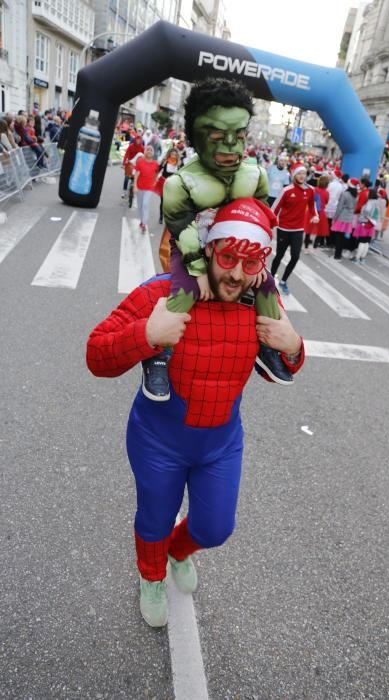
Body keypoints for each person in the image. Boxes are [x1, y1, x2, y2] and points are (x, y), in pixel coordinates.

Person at [86, 198, 305, 628]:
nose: (237, 274)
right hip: (158, 441)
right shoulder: (164, 292)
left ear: (263, 260)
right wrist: (147, 334)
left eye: (251, 261)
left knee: (214, 529)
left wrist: (294, 345)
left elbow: (282, 366)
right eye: (227, 258)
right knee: (154, 518)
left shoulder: (262, 300)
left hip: (220, 443)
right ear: (207, 249)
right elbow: (96, 355)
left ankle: (176, 551)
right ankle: (150, 577)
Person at [143, 77, 294, 403]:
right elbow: (179, 225)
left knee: (267, 285)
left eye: (237, 136)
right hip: (194, 248)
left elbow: (263, 216)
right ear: (197, 136)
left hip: (235, 250)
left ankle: (267, 346)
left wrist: (257, 261)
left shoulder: (255, 174)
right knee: (181, 293)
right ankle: (159, 354)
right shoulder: (181, 182)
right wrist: (198, 267)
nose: (229, 147)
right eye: (216, 137)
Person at [270, 162, 319, 293]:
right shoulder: (286, 190)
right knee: (279, 255)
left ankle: (284, 280)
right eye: (299, 173)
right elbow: (274, 208)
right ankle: (269, 281)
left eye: (304, 173)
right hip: (284, 229)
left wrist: (315, 215)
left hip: (298, 230)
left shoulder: (310, 190)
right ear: (294, 175)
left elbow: (312, 205)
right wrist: (268, 224)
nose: (302, 176)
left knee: (295, 256)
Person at [134, 145, 159, 232]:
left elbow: (157, 173)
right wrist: (135, 186)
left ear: (153, 153)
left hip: (149, 188)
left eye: (151, 150)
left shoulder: (156, 164)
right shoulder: (140, 161)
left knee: (145, 204)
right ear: (145, 151)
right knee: (140, 206)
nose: (149, 151)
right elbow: (136, 174)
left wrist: (155, 181)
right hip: (140, 187)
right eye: (147, 150)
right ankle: (141, 221)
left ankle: (144, 223)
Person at [332, 178, 359, 260]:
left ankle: (337, 255)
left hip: (342, 216)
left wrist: (335, 218)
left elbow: (339, 207)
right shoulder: (356, 195)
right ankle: (339, 254)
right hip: (349, 218)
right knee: (343, 236)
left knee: (338, 237)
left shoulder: (345, 194)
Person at [155, 147, 181, 224]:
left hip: (173, 184)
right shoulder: (165, 161)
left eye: (175, 155)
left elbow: (181, 174)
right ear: (169, 154)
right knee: (163, 201)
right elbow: (158, 169)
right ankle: (161, 217)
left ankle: (169, 218)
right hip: (164, 183)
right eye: (172, 154)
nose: (173, 156)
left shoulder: (178, 163)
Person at [352, 188, 379, 263]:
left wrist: (365, 216)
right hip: (372, 224)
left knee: (362, 241)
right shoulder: (377, 202)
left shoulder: (370, 202)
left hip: (365, 222)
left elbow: (367, 210)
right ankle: (362, 258)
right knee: (367, 242)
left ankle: (357, 258)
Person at [310, 174, 330, 250]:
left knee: (310, 226)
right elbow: (327, 201)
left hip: (313, 210)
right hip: (321, 211)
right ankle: (316, 243)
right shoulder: (326, 192)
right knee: (321, 228)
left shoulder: (314, 189)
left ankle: (307, 241)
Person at [121, 133, 144, 198]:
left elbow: (143, 158)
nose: (138, 141)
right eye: (137, 139)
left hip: (137, 164)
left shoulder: (142, 148)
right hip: (130, 163)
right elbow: (126, 155)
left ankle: (137, 190)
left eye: (139, 139)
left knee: (138, 178)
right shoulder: (131, 146)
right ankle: (124, 192)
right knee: (126, 178)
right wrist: (123, 164)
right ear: (135, 139)